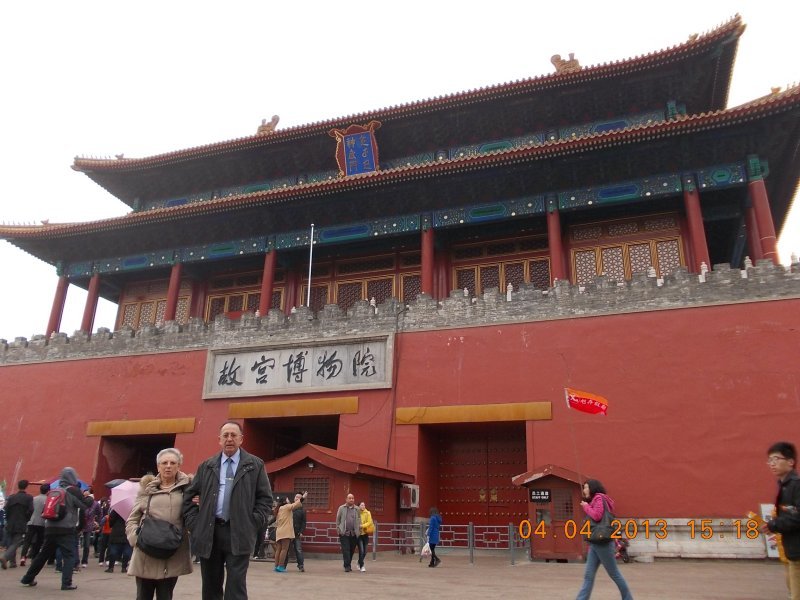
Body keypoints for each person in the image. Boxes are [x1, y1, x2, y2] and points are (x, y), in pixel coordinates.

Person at [183, 420, 273, 600]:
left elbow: (265, 499)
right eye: (225, 436)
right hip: (210, 531)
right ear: (219, 440)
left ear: (241, 439)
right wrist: (195, 523)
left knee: (236, 586)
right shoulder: (207, 466)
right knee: (210, 585)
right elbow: (188, 497)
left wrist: (252, 522)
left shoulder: (254, 465)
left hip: (239, 531)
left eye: (233, 435)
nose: (229, 439)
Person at [126, 448, 193, 600]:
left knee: (165, 596)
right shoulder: (147, 489)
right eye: (164, 463)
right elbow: (133, 518)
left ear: (179, 466)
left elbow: (193, 515)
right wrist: (134, 538)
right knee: (143, 596)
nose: (168, 466)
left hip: (172, 550)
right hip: (146, 550)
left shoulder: (187, 489)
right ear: (158, 467)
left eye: (172, 463)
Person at [20, 467, 92, 590]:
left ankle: (27, 578)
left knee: (43, 555)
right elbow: (84, 506)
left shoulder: (54, 490)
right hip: (66, 529)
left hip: (50, 527)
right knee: (69, 556)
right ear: (73, 477)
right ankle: (66, 583)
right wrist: (89, 497)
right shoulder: (74, 490)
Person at [576, 479, 633, 600]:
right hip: (595, 543)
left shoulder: (599, 498)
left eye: (586, 487)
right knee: (588, 575)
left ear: (592, 488)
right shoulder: (595, 500)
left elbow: (597, 516)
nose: (584, 490)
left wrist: (586, 507)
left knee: (614, 574)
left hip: (603, 543)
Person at [761, 441, 800, 600]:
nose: (772, 464)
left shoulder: (796, 486)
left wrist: (774, 524)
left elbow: (797, 517)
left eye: (776, 459)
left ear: (790, 462)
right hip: (792, 551)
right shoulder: (785, 485)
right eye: (770, 460)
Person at [1, 479, 33, 569]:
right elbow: (31, 510)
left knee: (11, 542)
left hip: (10, 522)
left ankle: (13, 562)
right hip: (21, 522)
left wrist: (8, 519)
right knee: (16, 542)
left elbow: (6, 510)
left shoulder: (11, 497)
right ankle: (5, 557)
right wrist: (27, 519)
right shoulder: (29, 498)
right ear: (26, 486)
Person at [273, 491, 307, 573]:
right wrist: (303, 497)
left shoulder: (279, 509)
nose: (289, 500)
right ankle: (281, 566)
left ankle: (276, 566)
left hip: (279, 531)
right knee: (284, 550)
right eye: (287, 499)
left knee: (278, 550)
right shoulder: (287, 507)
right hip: (286, 532)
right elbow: (295, 505)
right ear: (285, 501)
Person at [20, 484, 50, 566]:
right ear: (48, 491)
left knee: (27, 541)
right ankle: (34, 558)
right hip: (42, 522)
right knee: (39, 541)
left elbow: (30, 510)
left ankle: (23, 557)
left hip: (32, 521)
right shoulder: (48, 500)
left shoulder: (34, 498)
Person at [335, 493, 361, 572]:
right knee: (346, 549)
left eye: (352, 498)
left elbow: (359, 519)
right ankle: (347, 566)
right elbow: (338, 519)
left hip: (354, 533)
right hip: (344, 533)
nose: (351, 499)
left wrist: (358, 530)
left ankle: (347, 563)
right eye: (349, 498)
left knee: (352, 550)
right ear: (346, 499)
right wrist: (338, 529)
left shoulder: (357, 509)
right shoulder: (341, 508)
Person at [80, 490, 100, 568]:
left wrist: (97, 521)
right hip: (79, 525)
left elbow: (99, 513)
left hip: (88, 526)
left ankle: (84, 561)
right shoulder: (80, 502)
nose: (85, 497)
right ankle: (76, 561)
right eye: (84, 496)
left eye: (86, 496)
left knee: (86, 545)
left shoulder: (95, 504)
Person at [357, 501, 374, 572]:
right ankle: (362, 566)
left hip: (365, 534)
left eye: (364, 505)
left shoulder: (368, 513)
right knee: (361, 550)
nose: (363, 506)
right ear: (359, 506)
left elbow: (369, 522)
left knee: (365, 551)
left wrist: (362, 526)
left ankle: (359, 562)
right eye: (361, 505)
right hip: (359, 535)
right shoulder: (356, 513)